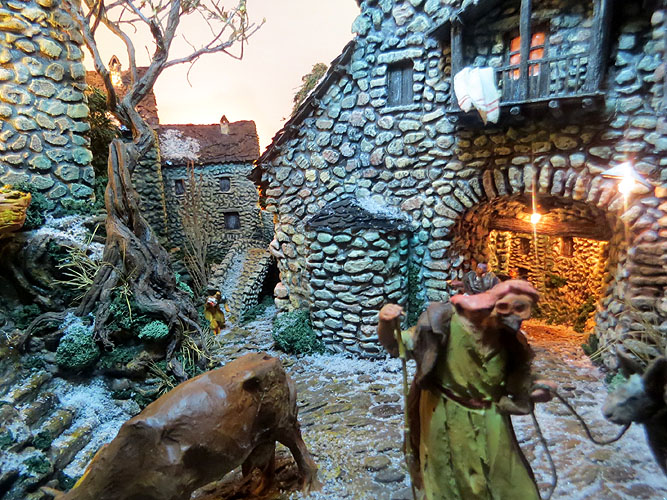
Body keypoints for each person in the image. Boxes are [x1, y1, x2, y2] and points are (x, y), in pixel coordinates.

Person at [377, 280, 554, 500]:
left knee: (508, 481)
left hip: (492, 420)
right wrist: (386, 322)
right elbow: (397, 344)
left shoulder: (508, 340)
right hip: (445, 417)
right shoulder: (439, 326)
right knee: (448, 482)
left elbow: (520, 377)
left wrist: (537, 387)